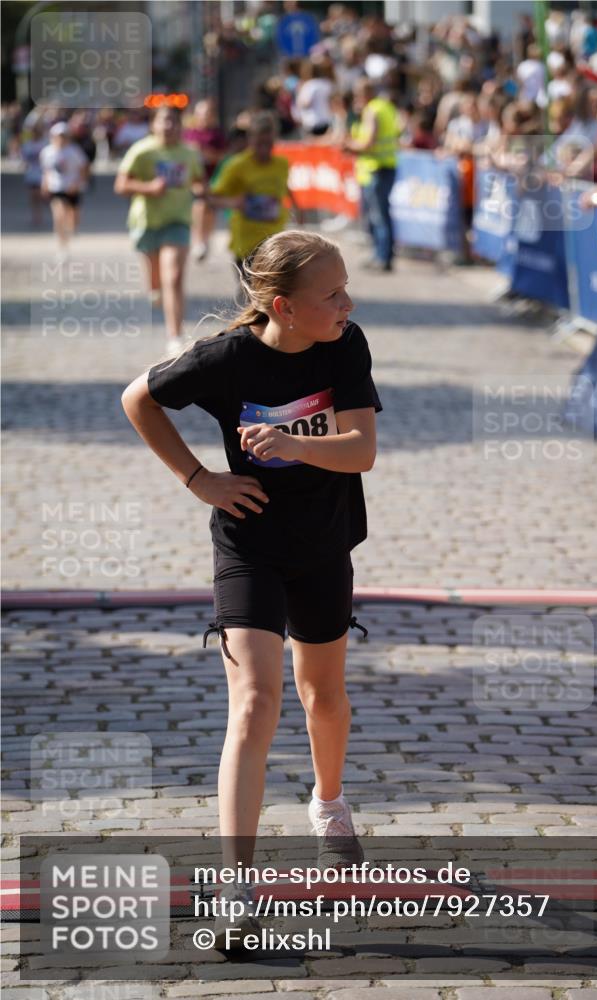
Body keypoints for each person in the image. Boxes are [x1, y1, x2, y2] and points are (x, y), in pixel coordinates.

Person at [121, 230, 382, 949]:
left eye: (344, 289)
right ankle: (237, 886)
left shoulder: (344, 345)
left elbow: (361, 449)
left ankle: (328, 806)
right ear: (282, 307)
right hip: (247, 548)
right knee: (254, 702)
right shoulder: (227, 359)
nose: (346, 302)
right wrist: (200, 479)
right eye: (330, 294)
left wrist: (296, 444)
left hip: (324, 545)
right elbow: (137, 399)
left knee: (321, 696)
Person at [114, 106, 205, 355]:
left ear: (180, 125)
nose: (168, 126)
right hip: (146, 222)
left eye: (173, 121)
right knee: (156, 282)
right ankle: (154, 291)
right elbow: (121, 185)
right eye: (163, 121)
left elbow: (199, 183)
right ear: (153, 125)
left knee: (173, 277)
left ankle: (174, 336)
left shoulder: (190, 153)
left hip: (178, 221)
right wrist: (149, 188)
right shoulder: (142, 151)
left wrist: (200, 192)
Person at [208, 111, 302, 274]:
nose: (264, 149)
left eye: (269, 143)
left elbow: (284, 186)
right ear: (250, 139)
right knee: (252, 294)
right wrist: (235, 203)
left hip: (274, 239)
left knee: (270, 292)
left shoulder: (281, 164)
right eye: (259, 143)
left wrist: (297, 207)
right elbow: (212, 198)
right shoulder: (237, 165)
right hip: (246, 242)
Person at [343, 77, 401, 272]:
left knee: (378, 216)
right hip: (384, 166)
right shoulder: (386, 106)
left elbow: (368, 143)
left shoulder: (372, 110)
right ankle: (380, 254)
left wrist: (350, 145)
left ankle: (382, 256)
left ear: (363, 94)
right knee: (380, 214)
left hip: (376, 169)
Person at [183, 99, 227, 261]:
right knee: (200, 206)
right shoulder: (188, 133)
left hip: (212, 178)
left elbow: (223, 157)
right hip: (193, 180)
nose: (204, 117)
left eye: (207, 113)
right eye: (201, 113)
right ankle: (198, 240)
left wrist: (205, 153)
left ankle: (205, 239)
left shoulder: (217, 135)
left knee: (208, 209)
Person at [39, 121, 89, 257]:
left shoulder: (74, 151)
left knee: (73, 218)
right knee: (58, 216)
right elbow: (46, 170)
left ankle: (69, 232)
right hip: (57, 188)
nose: (60, 139)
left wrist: (78, 183)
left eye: (63, 136)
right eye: (58, 136)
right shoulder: (47, 152)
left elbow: (84, 168)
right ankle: (62, 246)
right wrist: (45, 183)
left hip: (72, 188)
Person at [21, 121, 47, 227]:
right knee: (33, 196)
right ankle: (36, 215)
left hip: (43, 174)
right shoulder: (27, 145)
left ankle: (43, 210)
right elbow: (24, 159)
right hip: (31, 174)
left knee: (41, 195)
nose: (35, 133)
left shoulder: (44, 144)